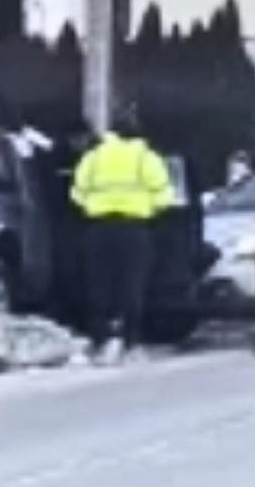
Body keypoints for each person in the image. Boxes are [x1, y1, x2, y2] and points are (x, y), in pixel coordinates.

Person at [70, 108, 175, 363]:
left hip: (98, 227)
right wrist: (148, 209)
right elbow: (165, 196)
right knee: (133, 285)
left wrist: (95, 206)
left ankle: (100, 341)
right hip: (134, 228)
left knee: (98, 285)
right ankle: (132, 342)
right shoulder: (146, 158)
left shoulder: (93, 157)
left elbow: (77, 193)